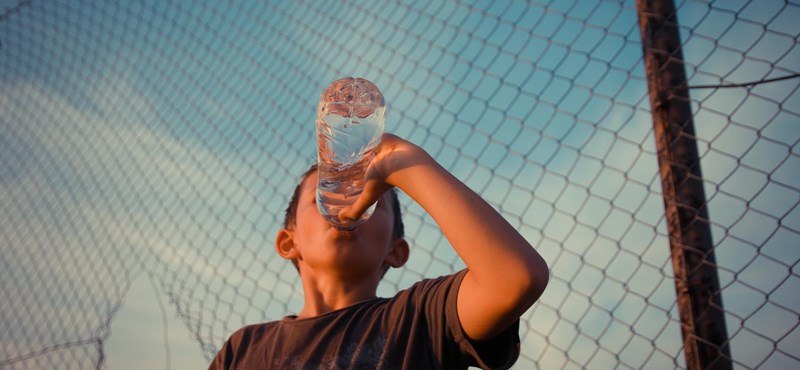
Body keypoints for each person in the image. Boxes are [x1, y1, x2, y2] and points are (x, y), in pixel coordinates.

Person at [208, 133, 549, 369]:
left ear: (396, 251)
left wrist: (406, 163)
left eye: (369, 196)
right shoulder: (243, 350)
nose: (347, 203)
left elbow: (516, 278)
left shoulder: (420, 319)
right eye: (326, 192)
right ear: (288, 243)